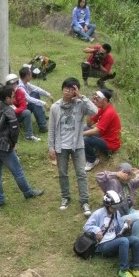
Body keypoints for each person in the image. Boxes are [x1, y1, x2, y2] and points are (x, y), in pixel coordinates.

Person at [0, 84, 44, 207]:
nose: (14, 100)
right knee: (17, 171)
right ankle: (28, 193)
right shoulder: (8, 110)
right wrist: (12, 144)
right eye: (12, 97)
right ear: (7, 98)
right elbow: (15, 130)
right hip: (4, 147)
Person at [48, 77, 97, 216]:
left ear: (76, 91)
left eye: (72, 89)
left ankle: (84, 201)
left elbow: (95, 111)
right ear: (62, 89)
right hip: (61, 146)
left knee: (81, 173)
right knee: (63, 173)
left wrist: (82, 97)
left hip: (78, 145)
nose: (68, 91)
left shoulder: (80, 104)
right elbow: (51, 128)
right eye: (67, 88)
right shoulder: (55, 107)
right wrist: (51, 147)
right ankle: (65, 197)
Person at [95, 163, 139, 251]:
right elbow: (98, 177)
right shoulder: (112, 183)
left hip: (130, 212)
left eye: (129, 174)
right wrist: (115, 174)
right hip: (117, 217)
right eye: (124, 173)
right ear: (120, 172)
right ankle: (137, 243)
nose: (126, 176)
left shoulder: (130, 184)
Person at [84, 190, 139, 277]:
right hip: (103, 245)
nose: (116, 209)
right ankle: (123, 270)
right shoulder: (98, 214)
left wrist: (126, 225)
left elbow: (119, 229)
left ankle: (135, 268)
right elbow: (86, 227)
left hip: (114, 240)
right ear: (107, 205)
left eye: (117, 206)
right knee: (123, 241)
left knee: (135, 240)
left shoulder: (116, 213)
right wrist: (96, 230)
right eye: (114, 207)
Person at [0, 73, 40, 141]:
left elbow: (23, 106)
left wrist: (13, 110)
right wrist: (0, 107)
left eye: (15, 83)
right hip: (3, 115)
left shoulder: (20, 92)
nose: (13, 86)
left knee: (27, 112)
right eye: (11, 84)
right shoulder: (3, 91)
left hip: (15, 114)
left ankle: (29, 135)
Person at [83, 88, 121, 171]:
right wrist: (90, 109)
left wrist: (80, 134)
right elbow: (89, 124)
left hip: (111, 144)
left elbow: (96, 130)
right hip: (103, 136)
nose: (94, 101)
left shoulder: (109, 112)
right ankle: (84, 148)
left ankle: (92, 160)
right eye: (94, 98)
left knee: (86, 139)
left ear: (104, 100)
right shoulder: (101, 109)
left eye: (96, 99)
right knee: (84, 127)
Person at [18, 65, 53, 134]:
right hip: (19, 113)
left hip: (22, 107)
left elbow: (35, 88)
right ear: (27, 76)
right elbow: (29, 99)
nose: (32, 75)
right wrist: (44, 103)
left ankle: (41, 116)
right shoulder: (20, 87)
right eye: (30, 73)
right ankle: (43, 127)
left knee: (35, 93)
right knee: (33, 102)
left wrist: (48, 94)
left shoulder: (23, 82)